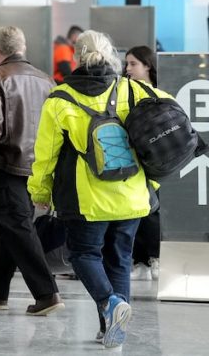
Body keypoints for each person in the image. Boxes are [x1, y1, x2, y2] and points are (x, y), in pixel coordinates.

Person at [29, 30, 164, 348]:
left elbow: (45, 155)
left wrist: (40, 191)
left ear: (77, 57)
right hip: (131, 193)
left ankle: (109, 304)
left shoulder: (60, 98)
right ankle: (111, 329)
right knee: (119, 257)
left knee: (84, 255)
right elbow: (168, 131)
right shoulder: (134, 89)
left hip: (85, 196)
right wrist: (152, 181)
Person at [0, 26, 62, 316]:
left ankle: (47, 293)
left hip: (5, 166)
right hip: (36, 169)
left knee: (18, 229)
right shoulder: (47, 81)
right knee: (14, 226)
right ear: (23, 48)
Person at [125, 45, 161, 281]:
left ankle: (155, 257)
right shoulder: (123, 93)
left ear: (147, 65)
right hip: (132, 159)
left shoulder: (160, 93)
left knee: (153, 211)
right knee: (136, 211)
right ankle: (139, 260)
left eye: (133, 64)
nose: (128, 69)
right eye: (126, 64)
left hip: (156, 160)